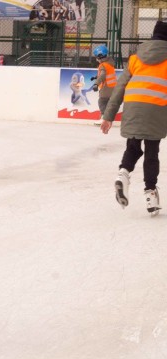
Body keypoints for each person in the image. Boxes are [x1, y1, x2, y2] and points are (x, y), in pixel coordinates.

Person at [101, 20, 167, 215]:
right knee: (151, 153)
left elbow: (119, 88)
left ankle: (123, 175)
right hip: (156, 110)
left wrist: (108, 115)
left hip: (133, 107)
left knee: (133, 146)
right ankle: (150, 194)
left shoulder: (135, 58)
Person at [90, 45, 117, 125]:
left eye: (96, 57)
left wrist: (96, 84)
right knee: (107, 103)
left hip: (106, 87)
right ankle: (108, 120)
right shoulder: (110, 63)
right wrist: (96, 77)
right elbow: (105, 73)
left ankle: (103, 118)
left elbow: (102, 75)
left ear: (100, 56)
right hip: (112, 87)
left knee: (102, 101)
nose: (96, 59)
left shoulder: (102, 65)